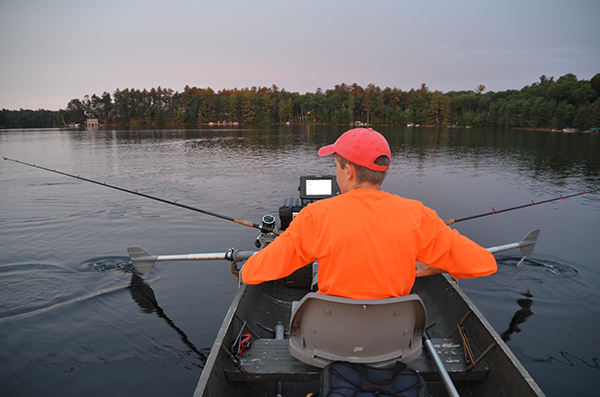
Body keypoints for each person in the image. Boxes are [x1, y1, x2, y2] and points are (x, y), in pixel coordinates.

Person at [241, 128, 497, 299]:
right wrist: (424, 266)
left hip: (332, 338)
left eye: (336, 167)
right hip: (396, 341)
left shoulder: (315, 216)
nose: (337, 174)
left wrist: (309, 251)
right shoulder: (418, 215)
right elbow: (484, 263)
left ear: (349, 171)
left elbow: (251, 273)